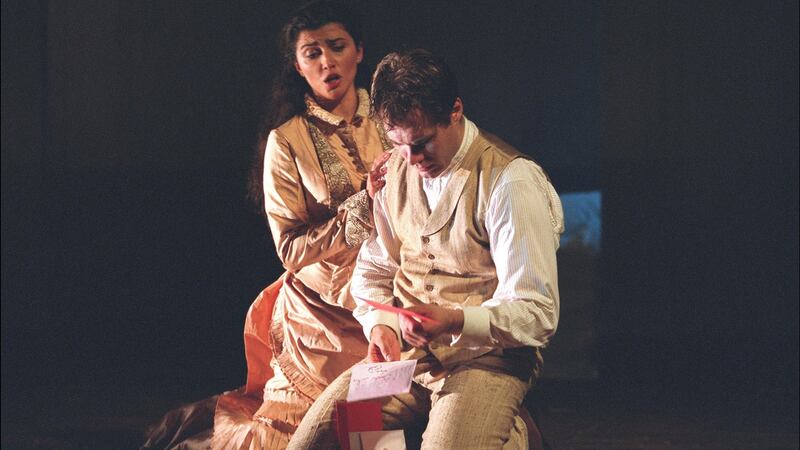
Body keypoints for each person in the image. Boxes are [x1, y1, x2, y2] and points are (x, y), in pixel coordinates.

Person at [141, 2, 391, 449]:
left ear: (359, 51)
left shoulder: (391, 120)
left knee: (402, 422)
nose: (327, 62)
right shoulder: (288, 140)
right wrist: (362, 207)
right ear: (297, 65)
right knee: (307, 435)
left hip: (398, 297)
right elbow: (290, 250)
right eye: (312, 53)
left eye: (337, 47)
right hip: (325, 316)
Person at [287, 49, 564, 450]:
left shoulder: (510, 181)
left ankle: (510, 432)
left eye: (422, 142)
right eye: (399, 144)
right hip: (409, 357)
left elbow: (536, 311)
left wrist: (454, 319)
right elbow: (374, 270)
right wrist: (381, 324)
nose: (412, 159)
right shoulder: (393, 170)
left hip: (487, 358)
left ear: (455, 111)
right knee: (320, 439)